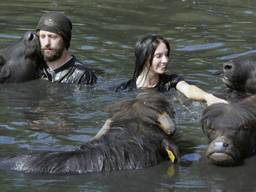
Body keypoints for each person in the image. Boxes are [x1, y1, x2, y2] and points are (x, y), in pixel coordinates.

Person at [115, 34, 227, 106]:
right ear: (144, 58)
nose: (165, 60)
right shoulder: (124, 89)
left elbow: (188, 89)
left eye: (166, 55)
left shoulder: (171, 81)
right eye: (158, 56)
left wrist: (208, 97)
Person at [36, 12, 97, 85]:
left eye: (53, 37)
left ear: (65, 40)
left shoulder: (82, 75)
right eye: (42, 36)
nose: (46, 43)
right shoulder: (33, 66)